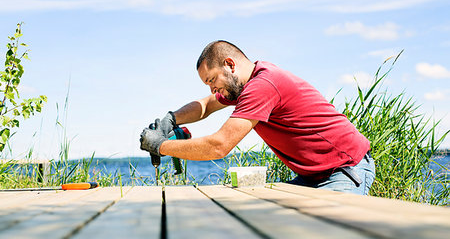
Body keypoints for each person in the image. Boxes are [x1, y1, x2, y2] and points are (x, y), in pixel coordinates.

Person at [140, 40, 375, 195]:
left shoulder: (263, 86)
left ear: (229, 65)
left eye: (212, 80)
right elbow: (205, 106)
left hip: (345, 170)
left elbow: (219, 146)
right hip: (312, 176)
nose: (212, 89)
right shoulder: (243, 85)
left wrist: (161, 146)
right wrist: (170, 120)